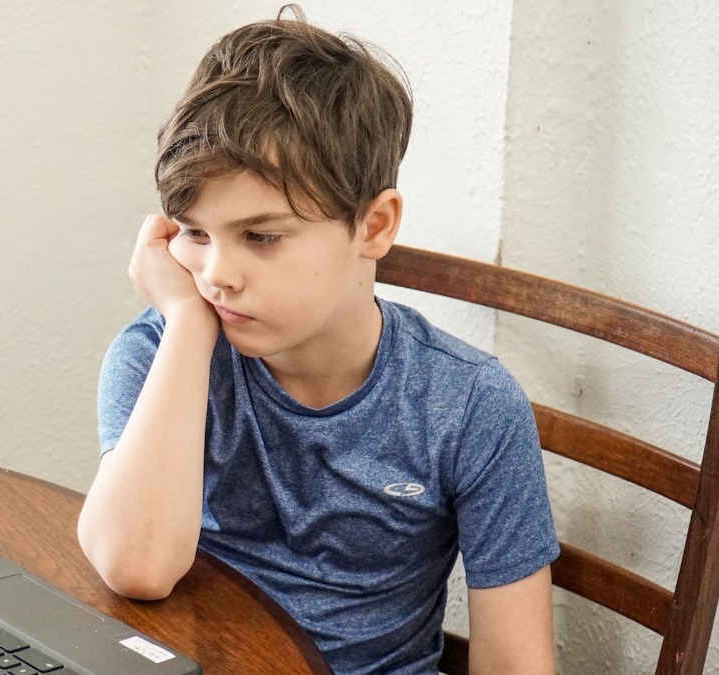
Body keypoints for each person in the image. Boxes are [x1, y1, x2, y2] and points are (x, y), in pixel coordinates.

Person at [75, 6, 559, 674]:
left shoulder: (469, 406)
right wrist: (186, 324)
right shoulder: (159, 354)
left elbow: (515, 666)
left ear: (374, 225)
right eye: (194, 232)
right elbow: (136, 566)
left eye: (261, 236)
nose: (217, 275)